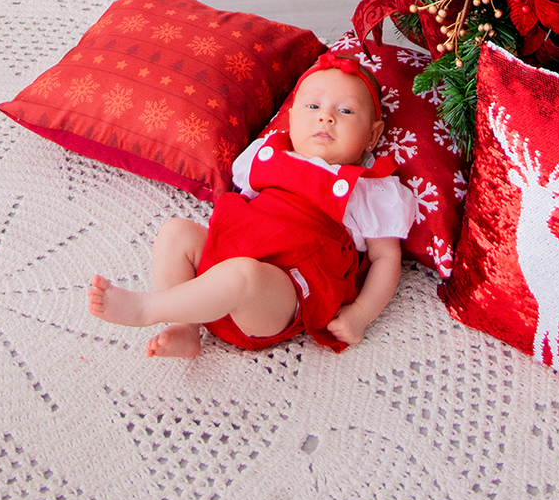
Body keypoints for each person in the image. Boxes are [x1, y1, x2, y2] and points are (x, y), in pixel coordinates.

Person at [88, 52, 418, 357]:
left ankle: (148, 309)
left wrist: (361, 313)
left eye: (345, 111)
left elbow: (385, 258)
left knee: (242, 275)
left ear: (373, 136)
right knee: (176, 231)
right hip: (223, 264)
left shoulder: (369, 188)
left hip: (279, 292)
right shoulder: (267, 153)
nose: (326, 118)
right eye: (313, 107)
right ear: (290, 119)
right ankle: (185, 327)